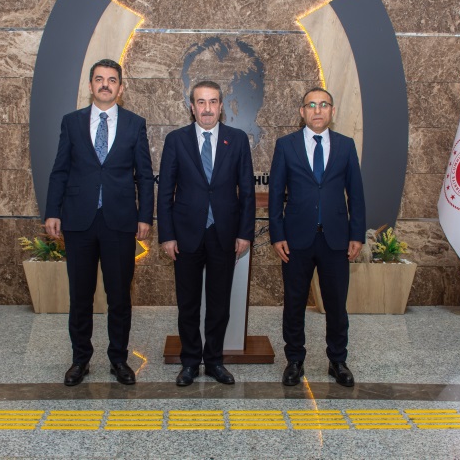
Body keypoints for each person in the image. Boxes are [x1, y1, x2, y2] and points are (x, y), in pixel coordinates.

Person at [45, 59, 154, 387]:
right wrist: (52, 211)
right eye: (99, 79)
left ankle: (118, 359)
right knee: (80, 295)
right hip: (78, 220)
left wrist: (144, 216)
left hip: (120, 222)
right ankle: (80, 359)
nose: (105, 84)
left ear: (121, 88)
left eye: (112, 80)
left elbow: (144, 175)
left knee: (119, 295)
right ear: (91, 85)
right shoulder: (72, 122)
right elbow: (60, 170)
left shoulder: (135, 124)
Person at [157, 81, 256, 387]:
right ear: (192, 107)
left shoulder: (237, 140)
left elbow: (247, 191)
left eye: (213, 102)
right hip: (185, 235)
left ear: (221, 106)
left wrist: (245, 233)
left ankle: (213, 361)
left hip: (224, 234)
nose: (207, 108)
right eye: (201, 102)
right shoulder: (176, 140)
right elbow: (165, 193)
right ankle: (190, 362)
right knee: (187, 304)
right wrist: (167, 235)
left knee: (219, 304)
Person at [268, 87, 366, 387]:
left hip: (336, 239)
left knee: (336, 304)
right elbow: (275, 194)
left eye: (324, 105)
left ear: (332, 111)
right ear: (302, 112)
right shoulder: (286, 145)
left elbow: (356, 194)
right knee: (294, 302)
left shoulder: (346, 146)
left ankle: (338, 360)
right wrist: (277, 234)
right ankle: (294, 360)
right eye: (311, 105)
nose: (318, 110)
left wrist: (357, 234)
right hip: (295, 239)